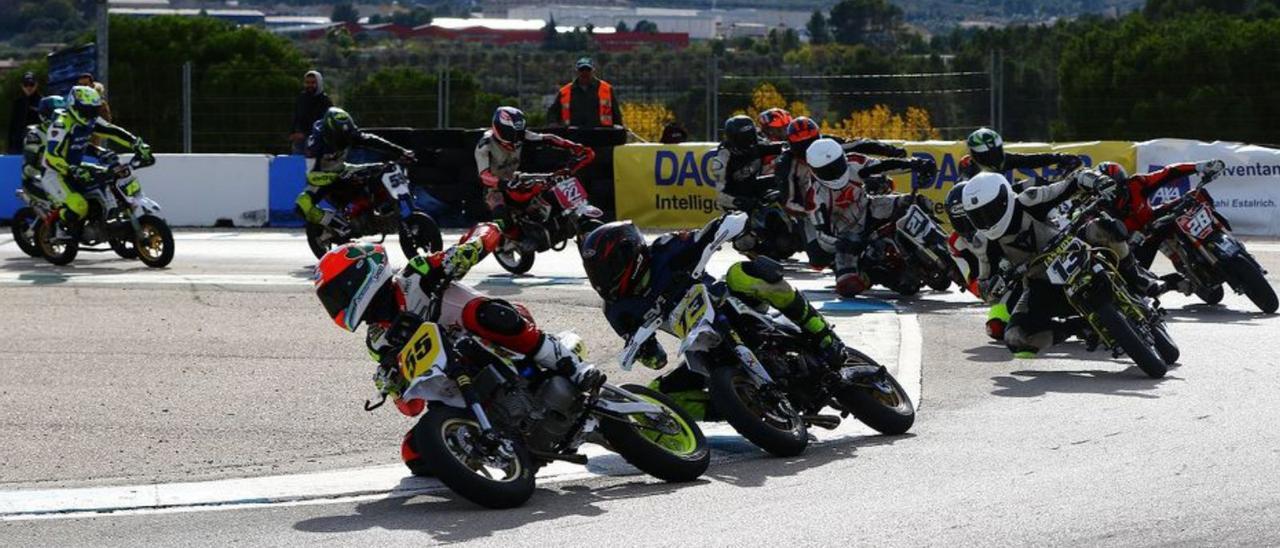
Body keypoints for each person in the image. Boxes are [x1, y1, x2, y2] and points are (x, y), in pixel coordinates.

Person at [313, 224, 603, 475]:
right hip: (459, 380)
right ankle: (499, 454)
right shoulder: (378, 341)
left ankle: (573, 367)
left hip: (493, 337)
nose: (337, 304)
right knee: (413, 453)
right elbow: (412, 407)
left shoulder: (415, 274)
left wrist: (473, 246)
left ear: (360, 275)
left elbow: (487, 231)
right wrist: (391, 386)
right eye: (332, 300)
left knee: (484, 315)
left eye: (338, 294)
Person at [579, 215, 878, 420]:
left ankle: (823, 335)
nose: (603, 277)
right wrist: (646, 351)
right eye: (597, 271)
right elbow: (655, 359)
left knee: (741, 273)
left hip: (731, 305)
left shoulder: (666, 249)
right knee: (659, 394)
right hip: (701, 343)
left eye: (609, 265)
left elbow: (704, 236)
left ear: (631, 252)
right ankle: (743, 406)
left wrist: (727, 224)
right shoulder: (616, 308)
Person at [961, 170, 1156, 357]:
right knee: (1015, 338)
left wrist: (1097, 181)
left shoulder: (1029, 200)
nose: (987, 220)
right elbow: (984, 283)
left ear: (1005, 199)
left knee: (1102, 226)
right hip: (1041, 282)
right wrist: (992, 287)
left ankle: (1135, 275)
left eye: (991, 211)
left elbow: (1072, 182)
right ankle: (1078, 328)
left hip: (1070, 244)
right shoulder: (985, 242)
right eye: (979, 216)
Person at [805, 138, 937, 297]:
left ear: (843, 158)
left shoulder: (855, 162)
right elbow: (821, 235)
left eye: (837, 165)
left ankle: (934, 241)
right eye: (827, 170)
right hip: (847, 236)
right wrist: (840, 243)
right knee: (847, 286)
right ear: (815, 171)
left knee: (918, 202)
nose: (834, 172)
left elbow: (884, 166)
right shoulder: (814, 196)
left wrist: (914, 164)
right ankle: (873, 275)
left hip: (870, 209)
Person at [43, 86, 153, 240]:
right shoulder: (61, 124)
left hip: (77, 167)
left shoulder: (91, 120)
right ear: (75, 107)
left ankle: (108, 220)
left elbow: (113, 131)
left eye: (94, 110)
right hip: (56, 172)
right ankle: (58, 227)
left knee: (109, 176)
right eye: (87, 110)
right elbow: (51, 156)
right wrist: (71, 170)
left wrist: (137, 144)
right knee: (78, 206)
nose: (91, 115)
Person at [297, 107, 416, 233]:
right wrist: (335, 177)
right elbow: (312, 175)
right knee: (302, 204)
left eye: (347, 136)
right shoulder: (315, 144)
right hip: (322, 177)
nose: (345, 140)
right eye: (340, 137)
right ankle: (341, 228)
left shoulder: (350, 133)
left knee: (383, 168)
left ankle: (387, 209)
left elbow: (371, 140)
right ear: (330, 132)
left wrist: (401, 151)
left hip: (343, 169)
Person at [1090, 160, 1226, 269]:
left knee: (1198, 195)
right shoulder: (1099, 210)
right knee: (1132, 272)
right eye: (1109, 190)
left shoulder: (1137, 183)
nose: (1117, 193)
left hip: (1156, 219)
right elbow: (1104, 244)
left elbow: (1169, 173)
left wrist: (1199, 166)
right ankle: (1172, 282)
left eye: (1119, 186)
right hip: (1136, 242)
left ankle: (1223, 233)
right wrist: (1128, 240)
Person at [474, 106, 593, 229]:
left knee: (554, 180)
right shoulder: (485, 145)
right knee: (501, 212)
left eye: (518, 132)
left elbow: (548, 138)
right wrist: (504, 184)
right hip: (495, 187)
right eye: (511, 132)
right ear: (499, 127)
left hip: (516, 177)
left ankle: (548, 220)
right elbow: (484, 175)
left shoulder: (521, 136)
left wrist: (573, 146)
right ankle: (514, 237)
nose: (515, 137)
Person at [708, 115, 785, 211]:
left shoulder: (757, 145)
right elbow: (719, 195)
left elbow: (781, 147)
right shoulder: (723, 157)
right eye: (745, 138)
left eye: (752, 135)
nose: (750, 140)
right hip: (735, 198)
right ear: (734, 139)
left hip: (752, 187)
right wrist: (737, 201)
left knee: (782, 178)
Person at [959, 127, 1082, 181]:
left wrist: (1058, 157)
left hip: (1000, 201)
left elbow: (1028, 160)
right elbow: (962, 189)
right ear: (976, 156)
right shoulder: (967, 166)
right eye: (989, 154)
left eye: (997, 151)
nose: (995, 157)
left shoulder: (1003, 159)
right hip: (979, 209)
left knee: (1037, 185)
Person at [550, 58, 621, 128]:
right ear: (577, 71)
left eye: (588, 70)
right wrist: (553, 124)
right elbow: (553, 112)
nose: (585, 72)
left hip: (601, 134)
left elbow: (616, 113)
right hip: (573, 134)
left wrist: (619, 130)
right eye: (581, 70)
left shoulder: (606, 89)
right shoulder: (564, 91)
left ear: (593, 71)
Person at [20, 96, 65, 203]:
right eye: (56, 114)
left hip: (61, 177)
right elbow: (30, 166)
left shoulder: (66, 132)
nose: (60, 117)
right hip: (36, 179)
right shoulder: (34, 134)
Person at [290, 70, 333, 155]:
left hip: (315, 141)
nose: (309, 85)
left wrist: (305, 134)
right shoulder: (301, 98)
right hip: (299, 140)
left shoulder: (324, 101)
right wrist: (292, 133)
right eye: (307, 82)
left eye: (313, 82)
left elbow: (322, 122)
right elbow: (296, 116)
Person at [7, 72, 42, 154]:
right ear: (22, 86)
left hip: (36, 144)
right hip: (17, 145)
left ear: (36, 85)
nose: (28, 87)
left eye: (31, 84)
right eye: (26, 84)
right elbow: (12, 127)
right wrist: (9, 147)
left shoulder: (42, 102)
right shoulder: (17, 103)